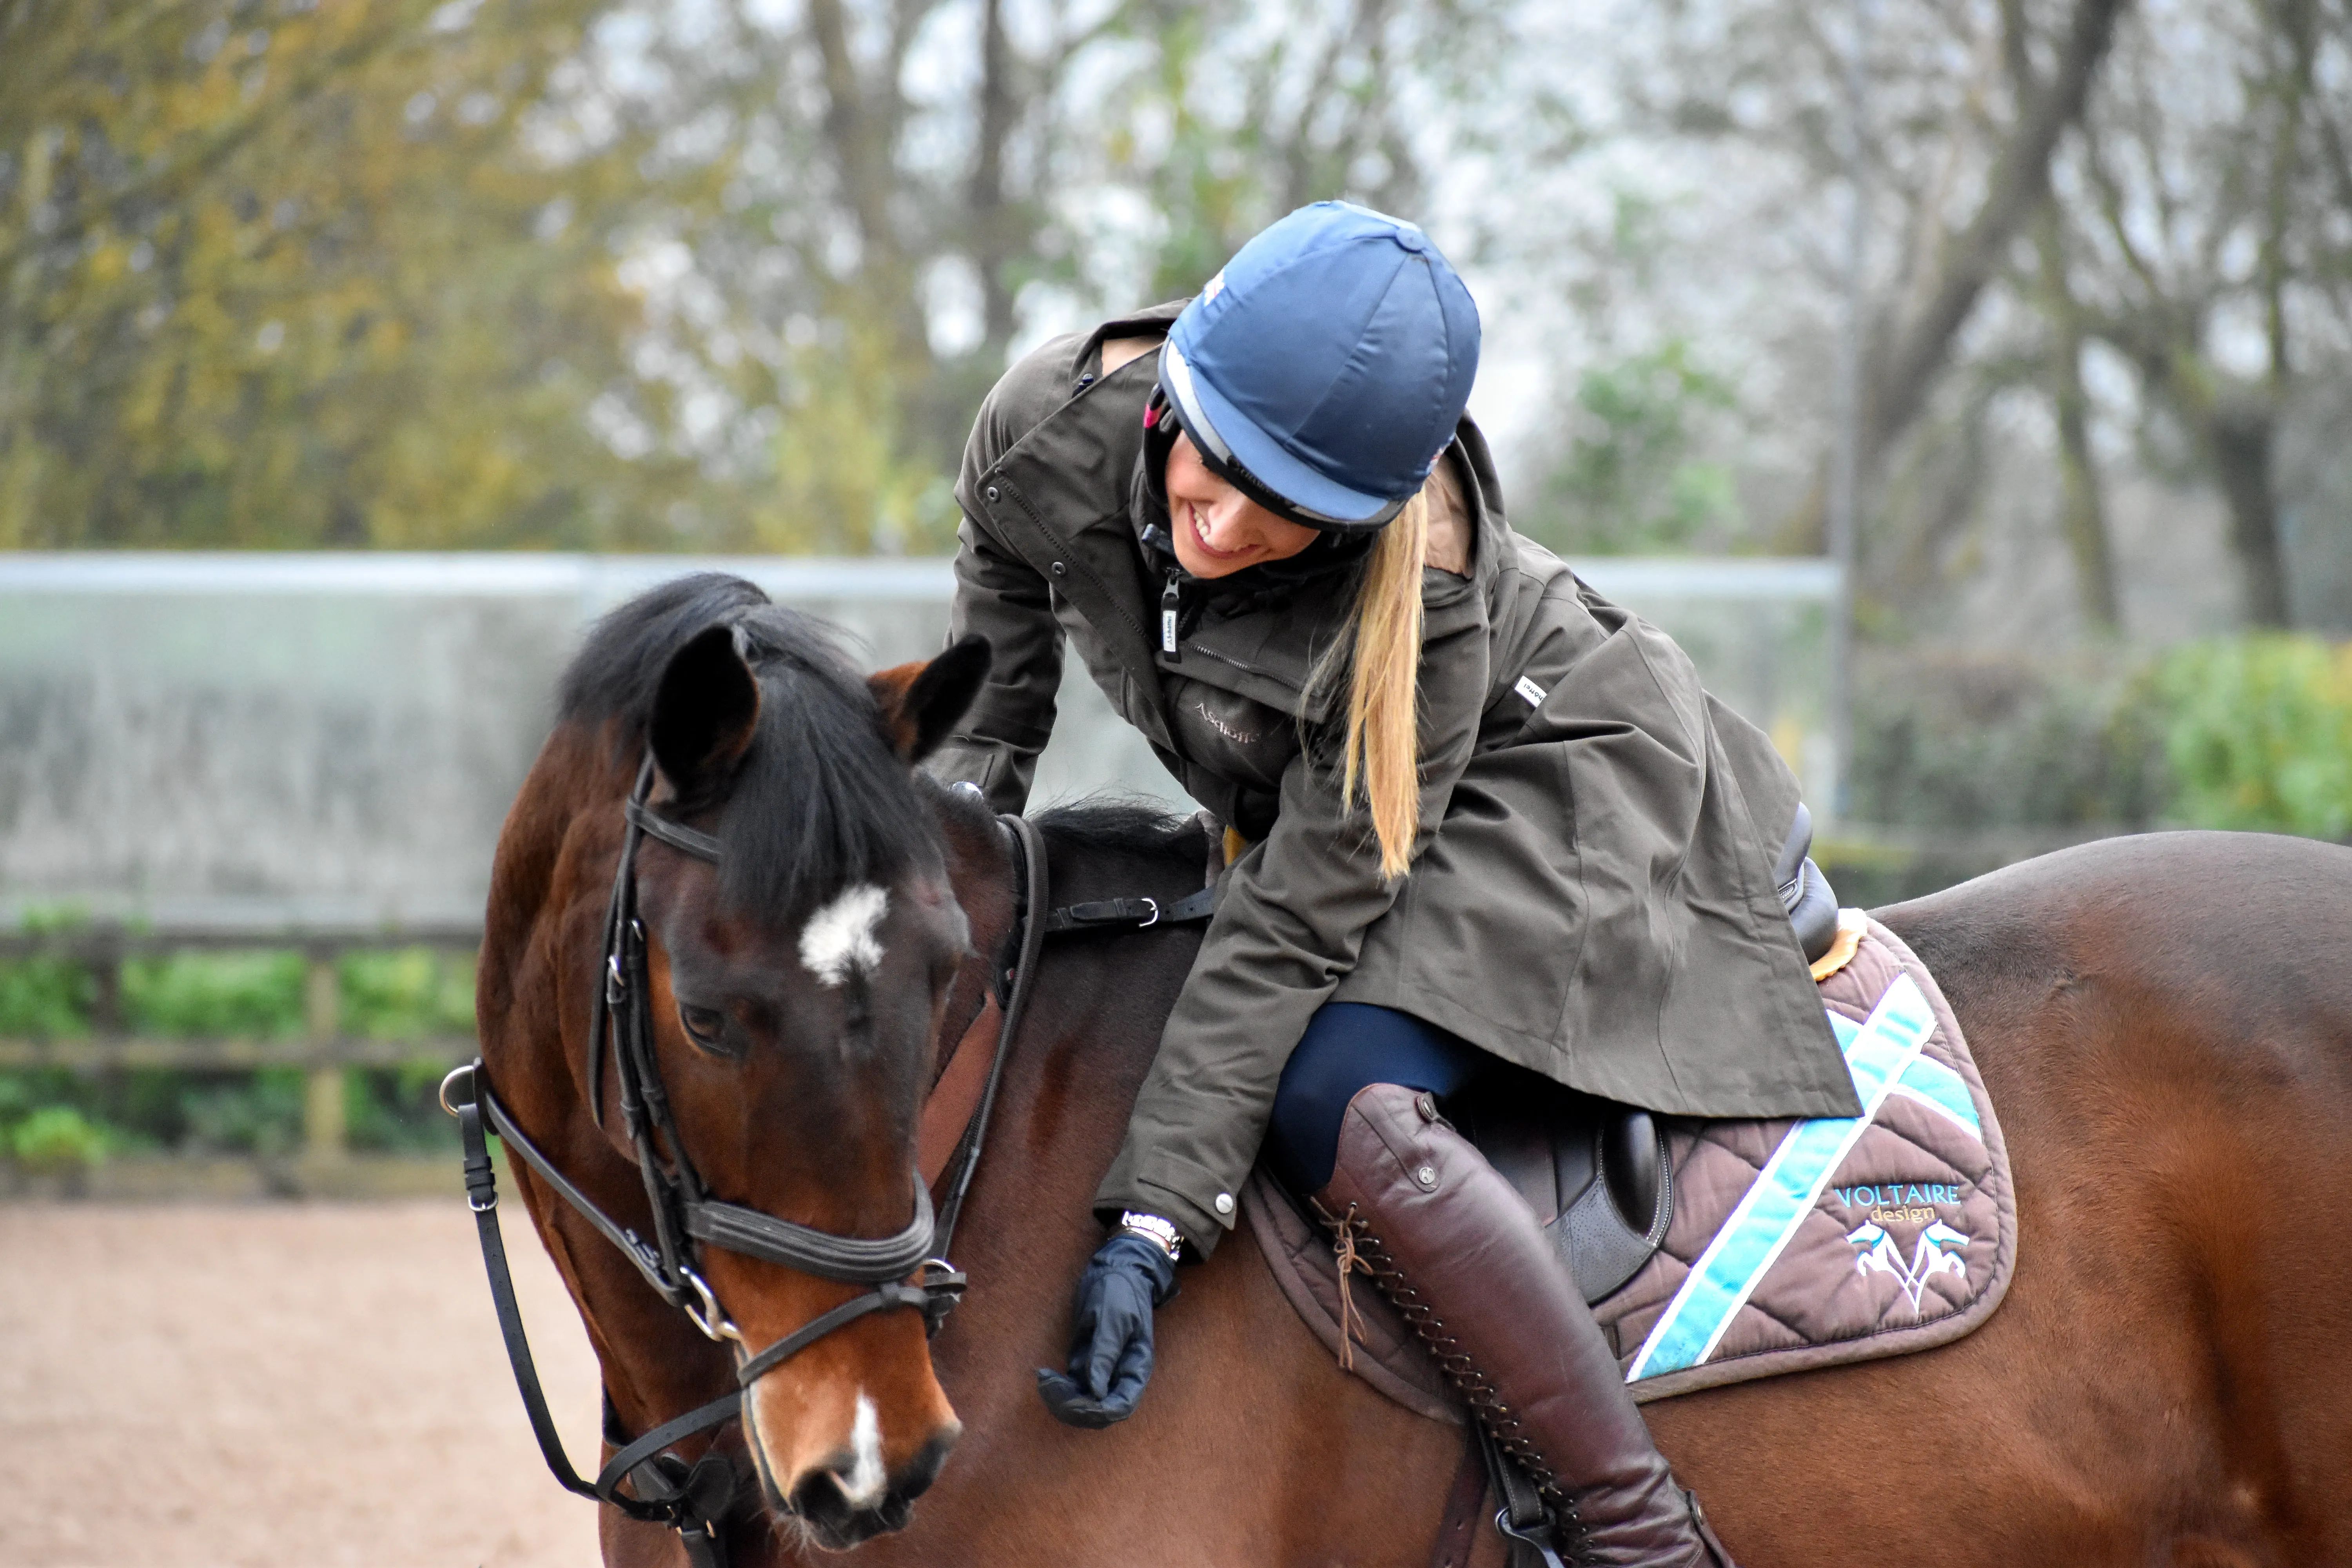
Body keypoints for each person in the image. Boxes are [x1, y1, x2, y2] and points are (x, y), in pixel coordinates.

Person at [929, 201, 1860, 1568]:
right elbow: (995, 656)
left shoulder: (1415, 608)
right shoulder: (1039, 428)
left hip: (1559, 770)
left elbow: (1296, 920)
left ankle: (1633, 1525)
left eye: (1293, 514)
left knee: (1331, 1086)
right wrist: (939, 886)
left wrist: (1147, 1225)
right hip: (1346, 785)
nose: (1228, 526)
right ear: (1172, 390)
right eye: (1219, 465)